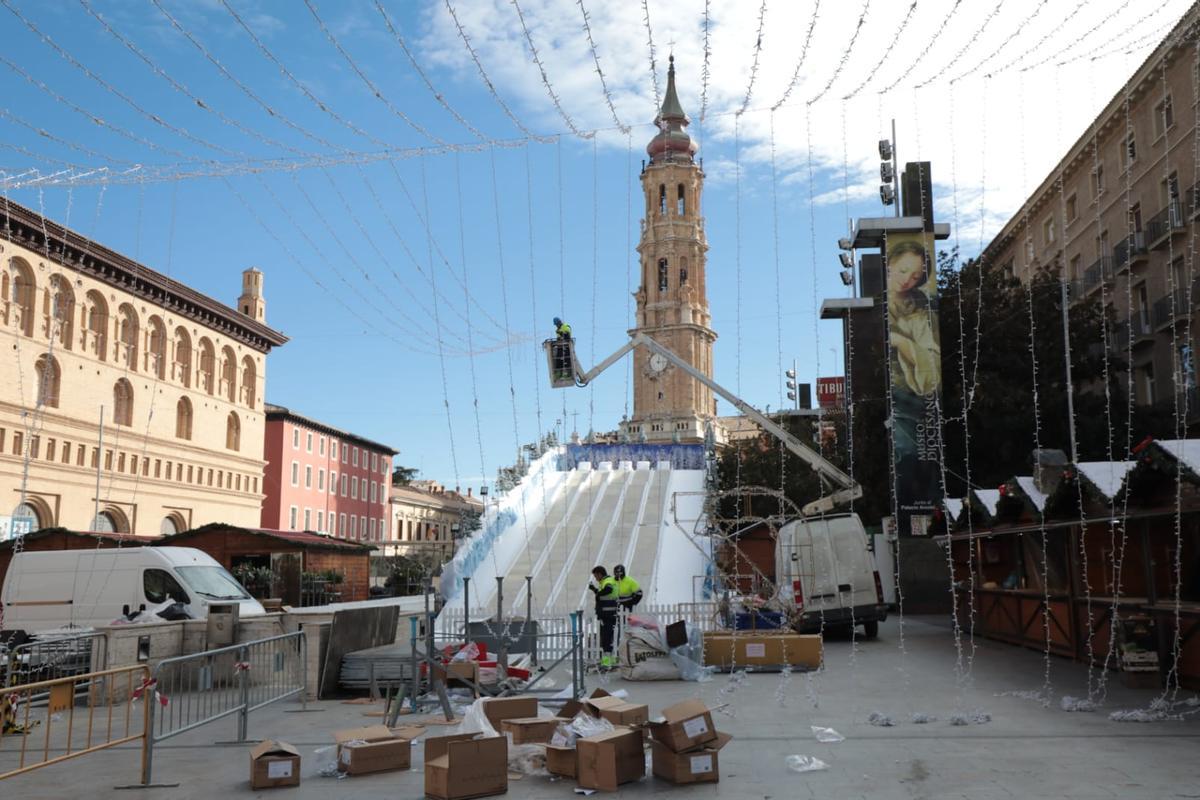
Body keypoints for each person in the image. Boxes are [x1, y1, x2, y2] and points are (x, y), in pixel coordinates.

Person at [588, 565, 618, 668]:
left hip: (608, 615)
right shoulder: (605, 582)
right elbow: (602, 594)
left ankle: (607, 663)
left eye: (596, 576)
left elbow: (608, 589)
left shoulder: (608, 581)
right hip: (606, 615)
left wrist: (598, 594)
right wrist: (594, 589)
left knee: (606, 639)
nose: (596, 578)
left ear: (600, 574)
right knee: (607, 639)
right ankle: (610, 661)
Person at [552, 317, 573, 382]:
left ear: (559, 322)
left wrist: (560, 332)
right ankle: (559, 375)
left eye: (557, 324)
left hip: (566, 346)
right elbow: (559, 338)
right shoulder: (558, 329)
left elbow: (567, 336)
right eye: (556, 325)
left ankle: (569, 374)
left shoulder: (566, 326)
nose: (556, 326)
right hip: (560, 347)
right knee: (558, 361)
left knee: (567, 360)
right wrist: (554, 343)